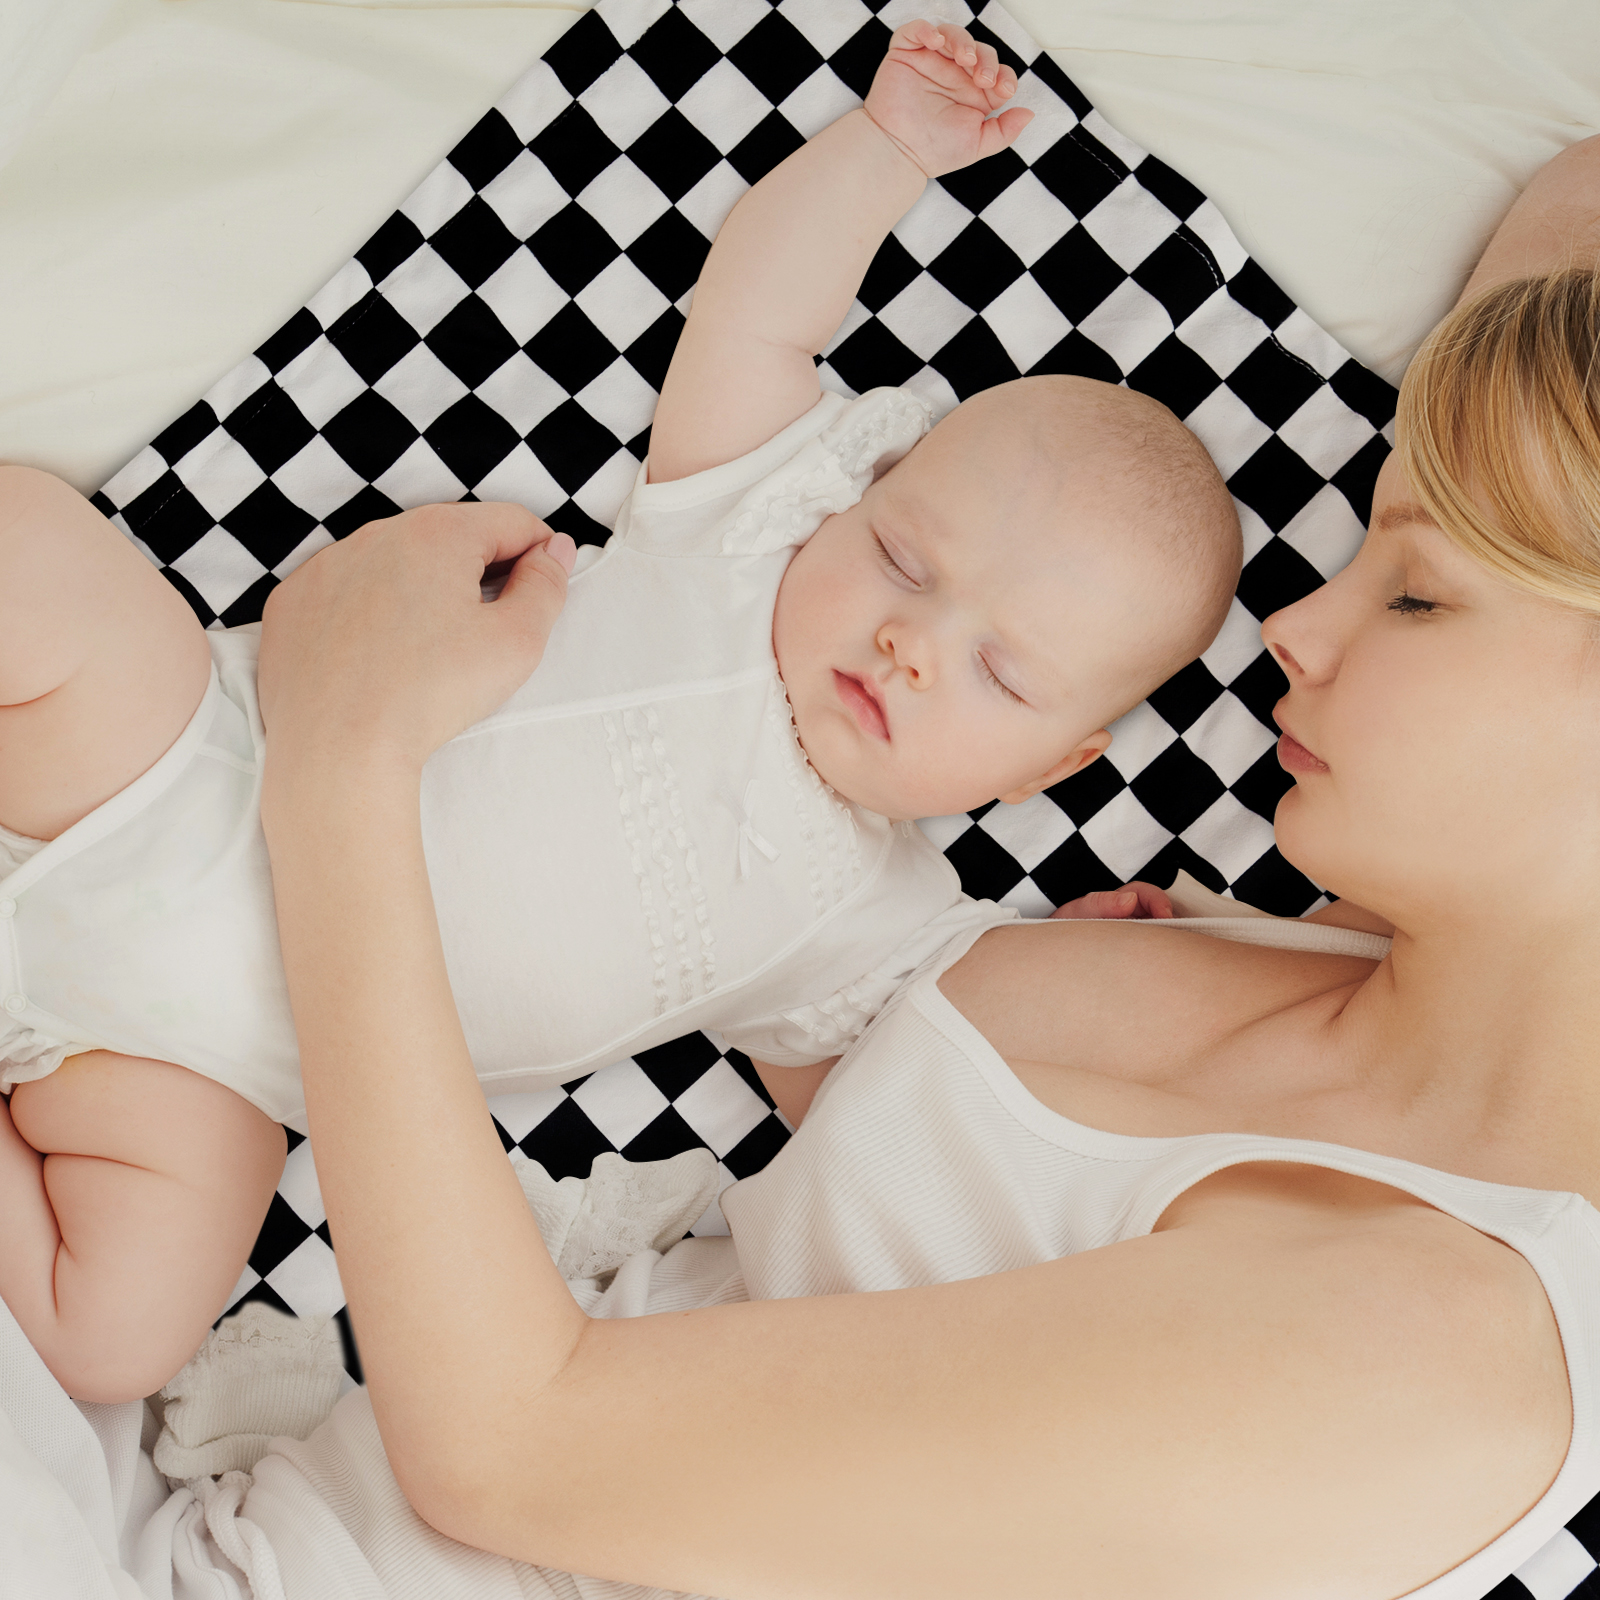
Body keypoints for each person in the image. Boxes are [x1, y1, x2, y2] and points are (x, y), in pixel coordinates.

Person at [232, 126, 1600, 1599]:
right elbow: (1573, 204)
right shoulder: (1372, 963)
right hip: (242, 1505)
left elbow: (512, 1450)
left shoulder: (1438, 1360)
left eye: (1416, 599)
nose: (1295, 628)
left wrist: (344, 762)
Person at [0, 23, 1238, 1404]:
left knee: (113, 1340)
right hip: (176, 765)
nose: (908, 643)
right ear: (850, 490)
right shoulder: (736, 539)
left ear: (1046, 769)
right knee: (31, 550)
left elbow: (898, 1121)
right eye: (902, 558)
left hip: (203, 1061)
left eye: (999, 675)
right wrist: (888, 154)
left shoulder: (871, 933)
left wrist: (1094, 979)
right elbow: (761, 313)